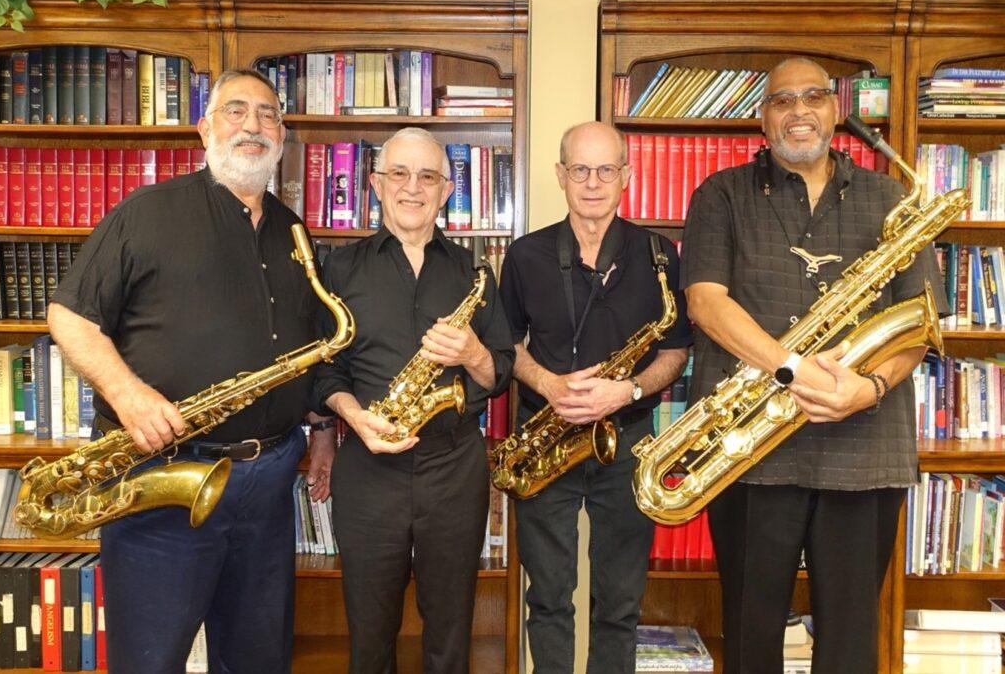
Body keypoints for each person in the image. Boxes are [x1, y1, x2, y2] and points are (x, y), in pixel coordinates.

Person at [48, 68, 331, 673]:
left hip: (269, 481)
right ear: (204, 128)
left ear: (282, 133)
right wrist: (130, 397)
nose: (253, 125)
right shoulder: (147, 213)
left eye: (267, 114)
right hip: (165, 473)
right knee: (150, 661)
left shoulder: (293, 231)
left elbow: (311, 347)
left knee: (258, 659)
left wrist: (325, 435)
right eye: (236, 111)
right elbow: (68, 316)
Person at [680, 57, 947, 674]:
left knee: (851, 643)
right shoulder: (721, 194)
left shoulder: (890, 197)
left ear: (835, 110)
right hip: (750, 451)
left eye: (813, 97)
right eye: (782, 100)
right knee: (750, 637)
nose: (799, 110)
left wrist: (869, 386)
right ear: (762, 118)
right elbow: (706, 302)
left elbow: (919, 323)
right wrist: (791, 370)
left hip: (865, 448)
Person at [311, 127, 515, 674]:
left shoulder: (474, 271)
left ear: (447, 190)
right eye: (399, 173)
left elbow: (501, 371)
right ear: (376, 184)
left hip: (453, 465)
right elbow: (323, 369)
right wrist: (354, 417)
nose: (412, 187)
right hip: (369, 464)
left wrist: (472, 352)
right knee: (370, 628)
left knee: (451, 627)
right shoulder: (339, 269)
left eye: (428, 176)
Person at [498, 121, 693, 673]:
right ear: (561, 175)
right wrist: (550, 385)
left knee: (620, 603)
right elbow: (507, 345)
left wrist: (626, 390)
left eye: (606, 169)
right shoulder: (525, 255)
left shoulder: (660, 258)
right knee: (549, 598)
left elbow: (676, 351)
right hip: (547, 442)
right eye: (580, 169)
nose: (592, 182)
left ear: (626, 176)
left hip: (627, 442)